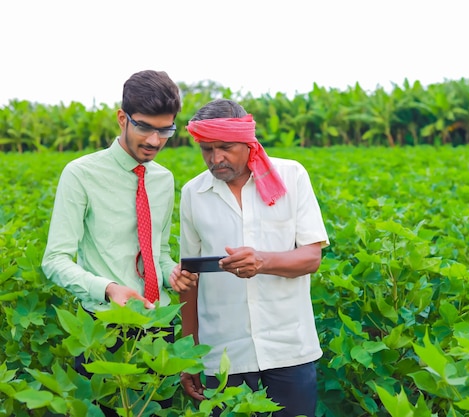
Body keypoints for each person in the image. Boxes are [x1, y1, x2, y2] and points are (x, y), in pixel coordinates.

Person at [41, 70, 199, 413]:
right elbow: (55, 259)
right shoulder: (81, 173)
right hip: (104, 332)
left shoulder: (162, 179)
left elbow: (159, 251)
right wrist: (109, 288)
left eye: (165, 130)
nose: (155, 141)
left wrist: (173, 273)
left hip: (158, 329)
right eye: (145, 127)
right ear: (122, 118)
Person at [179, 98, 329, 416]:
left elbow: (311, 258)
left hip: (289, 347)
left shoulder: (291, 177)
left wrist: (262, 261)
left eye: (225, 147)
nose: (215, 158)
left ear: (249, 142)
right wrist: (188, 353)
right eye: (206, 149)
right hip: (223, 354)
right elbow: (190, 278)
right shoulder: (194, 194)